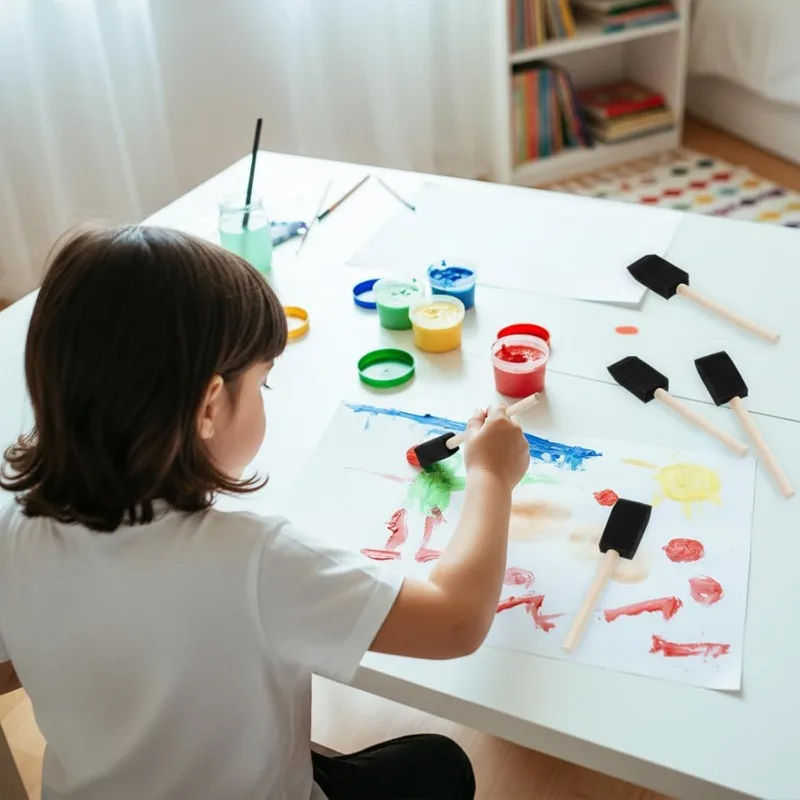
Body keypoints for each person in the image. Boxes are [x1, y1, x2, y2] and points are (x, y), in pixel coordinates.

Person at [0, 225, 530, 800]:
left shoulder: (14, 531)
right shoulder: (254, 558)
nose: (264, 399)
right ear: (208, 406)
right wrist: (490, 475)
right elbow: (457, 620)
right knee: (443, 764)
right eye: (263, 385)